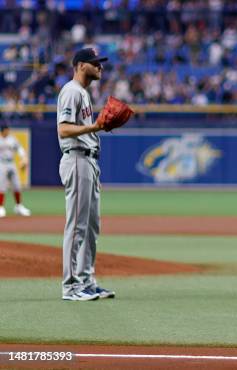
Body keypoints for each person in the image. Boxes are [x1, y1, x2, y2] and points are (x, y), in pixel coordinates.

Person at [57, 48, 115, 302]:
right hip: (77, 159)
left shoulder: (83, 93)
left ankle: (87, 281)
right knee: (77, 225)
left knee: (92, 226)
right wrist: (95, 126)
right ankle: (70, 287)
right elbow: (63, 129)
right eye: (95, 63)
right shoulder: (71, 91)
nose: (100, 67)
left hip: (89, 161)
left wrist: (96, 128)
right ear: (81, 65)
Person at [0, 124, 31, 217]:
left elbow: (19, 149)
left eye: (8, 129)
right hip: (1, 163)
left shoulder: (12, 139)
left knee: (17, 185)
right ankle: (0, 207)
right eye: (5, 130)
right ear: (2, 130)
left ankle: (19, 206)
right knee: (1, 186)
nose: (7, 131)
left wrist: (23, 158)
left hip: (11, 163)